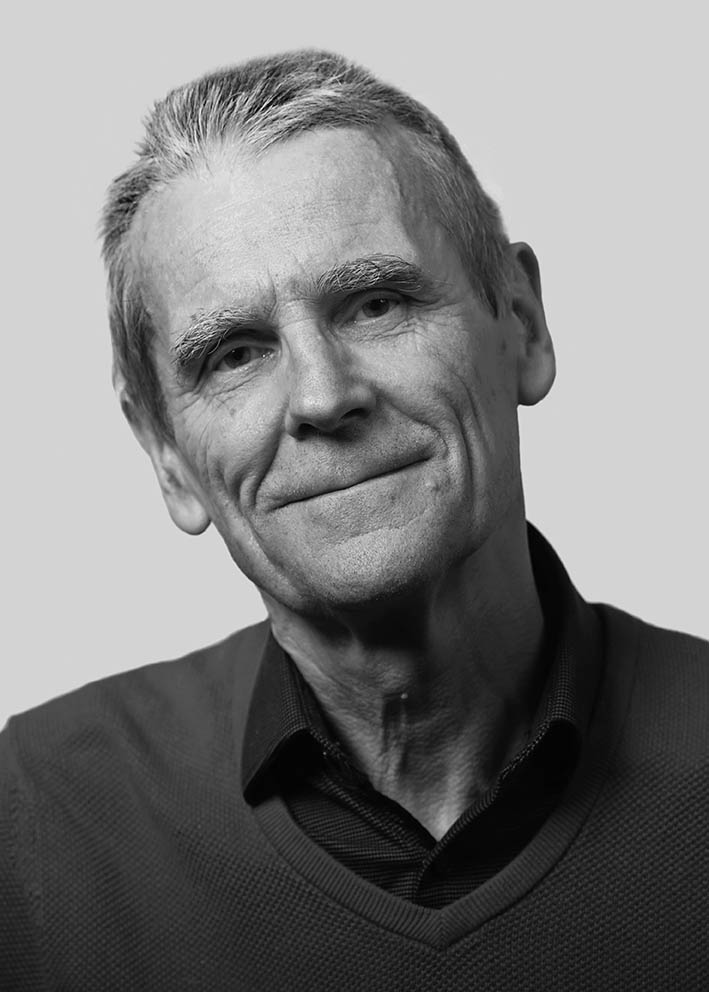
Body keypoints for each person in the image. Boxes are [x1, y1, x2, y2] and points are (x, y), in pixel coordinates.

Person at [1, 50, 707, 991]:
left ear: (523, 326)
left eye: (376, 304)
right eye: (234, 354)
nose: (322, 396)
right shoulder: (38, 819)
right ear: (166, 454)